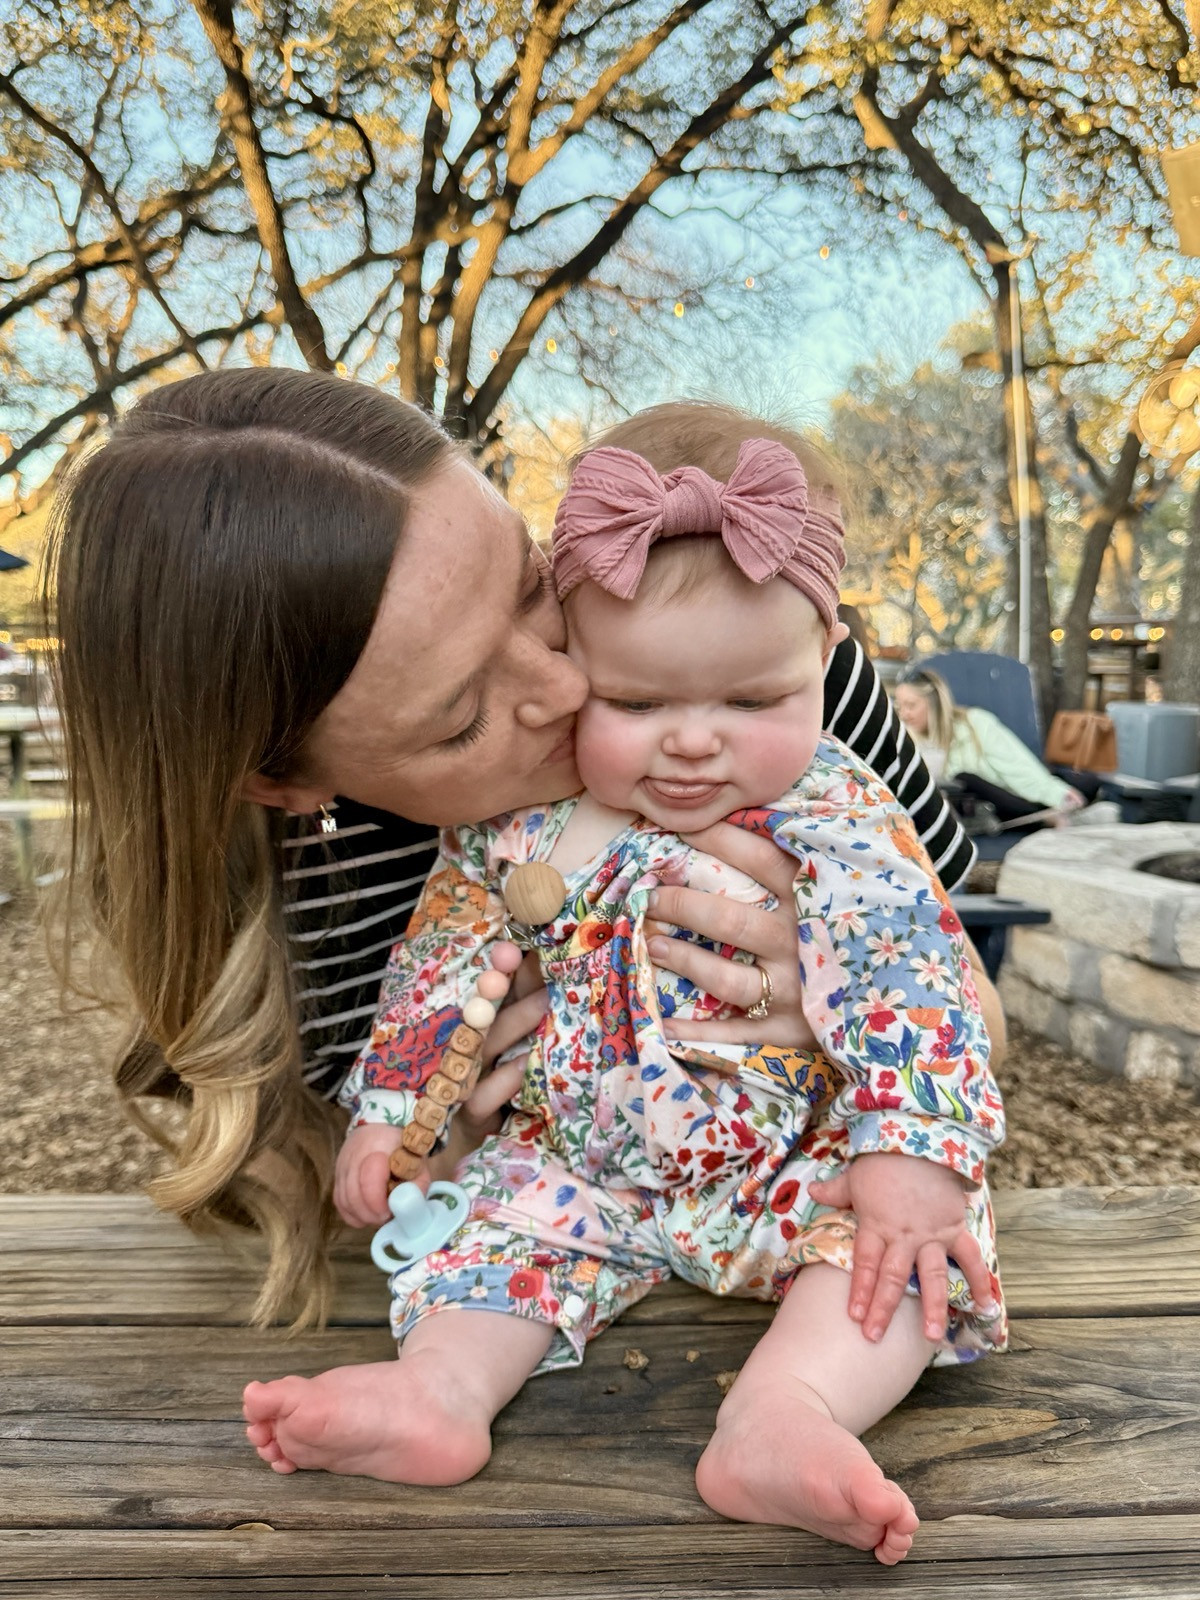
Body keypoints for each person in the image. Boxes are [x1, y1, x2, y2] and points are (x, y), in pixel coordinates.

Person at [46, 372, 1003, 1547]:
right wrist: (401, 1121)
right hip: (583, 1174)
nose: (568, 683)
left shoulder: (744, 629)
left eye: (532, 587)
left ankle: (788, 1410)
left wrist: (876, 1073)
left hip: (792, 1165)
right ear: (284, 783)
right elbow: (437, 970)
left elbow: (945, 975)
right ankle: (439, 1392)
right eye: (459, 717)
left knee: (912, 1239)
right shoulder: (444, 854)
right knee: (500, 1223)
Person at [893, 668, 1086, 833]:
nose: (904, 714)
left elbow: (1016, 764)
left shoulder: (975, 722)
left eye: (911, 705)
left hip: (1012, 796)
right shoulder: (905, 739)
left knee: (1083, 782)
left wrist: (1055, 793)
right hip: (972, 812)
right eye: (899, 707)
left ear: (935, 704)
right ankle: (1047, 815)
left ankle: (1050, 811)